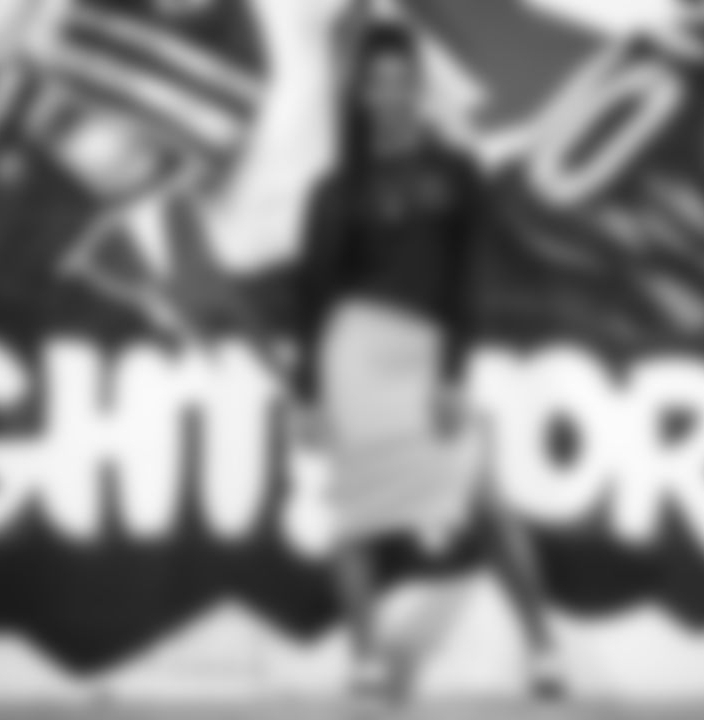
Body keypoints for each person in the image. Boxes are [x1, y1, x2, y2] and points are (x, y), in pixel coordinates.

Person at [286, 23, 565, 703]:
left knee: (486, 505)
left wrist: (453, 376)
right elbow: (311, 299)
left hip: (425, 363)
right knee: (353, 517)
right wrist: (308, 396)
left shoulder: (456, 175)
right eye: (376, 82)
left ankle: (543, 648)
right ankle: (366, 661)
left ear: (420, 87)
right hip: (353, 361)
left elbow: (468, 283)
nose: (390, 95)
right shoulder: (333, 190)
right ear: (358, 92)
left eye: (402, 80)